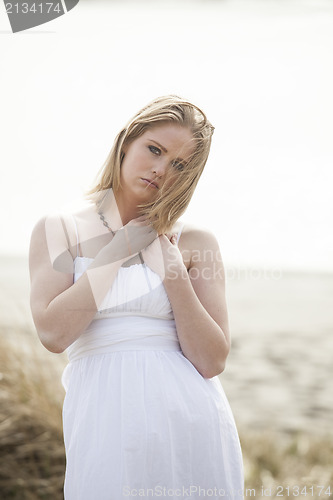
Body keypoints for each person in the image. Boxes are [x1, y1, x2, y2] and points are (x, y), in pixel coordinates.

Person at [29, 95, 244, 499]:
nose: (162, 170)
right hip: (104, 418)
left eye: (179, 165)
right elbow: (54, 335)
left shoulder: (196, 242)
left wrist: (174, 275)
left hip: (191, 422)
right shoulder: (59, 228)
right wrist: (117, 250)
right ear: (127, 142)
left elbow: (212, 359)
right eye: (155, 150)